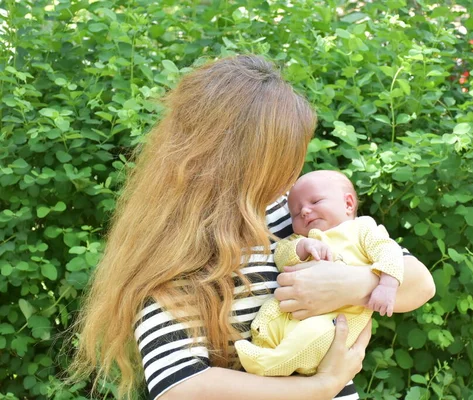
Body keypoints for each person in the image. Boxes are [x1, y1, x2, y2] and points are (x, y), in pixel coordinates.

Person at [71, 55, 436, 400]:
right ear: (243, 158)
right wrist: (319, 388)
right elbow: (180, 387)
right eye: (284, 158)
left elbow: (420, 283)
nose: (294, 173)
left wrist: (351, 285)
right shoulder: (171, 251)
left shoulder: (288, 211)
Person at [235, 170, 408, 376]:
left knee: (314, 333)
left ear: (348, 204)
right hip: (292, 314)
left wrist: (387, 284)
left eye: (315, 202)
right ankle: (263, 346)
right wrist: (302, 247)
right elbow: (281, 257)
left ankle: (270, 364)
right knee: (269, 314)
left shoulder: (362, 230)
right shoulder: (302, 239)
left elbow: (389, 252)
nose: (305, 212)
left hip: (336, 319)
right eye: (296, 214)